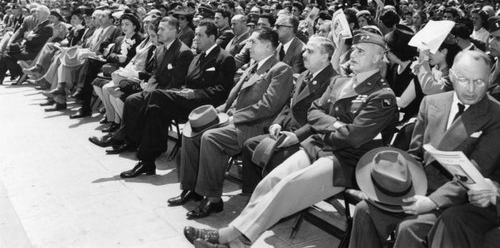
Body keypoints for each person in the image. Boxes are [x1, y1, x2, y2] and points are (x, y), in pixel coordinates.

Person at [182, 27, 399, 248]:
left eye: (360, 51)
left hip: (346, 161)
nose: (352, 55)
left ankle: (226, 237)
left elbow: (354, 137)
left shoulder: (382, 96)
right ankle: (237, 243)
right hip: (317, 146)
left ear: (378, 58)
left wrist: (327, 128)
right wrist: (334, 124)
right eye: (353, 50)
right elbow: (314, 112)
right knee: (269, 183)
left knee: (288, 186)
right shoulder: (340, 82)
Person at [349, 50, 500, 248]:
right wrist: (394, 187)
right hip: (420, 188)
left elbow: (476, 171)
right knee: (364, 210)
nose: (471, 88)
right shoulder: (431, 103)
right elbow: (415, 156)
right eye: (463, 79)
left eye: (479, 81)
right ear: (451, 75)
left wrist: (432, 202)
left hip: (459, 201)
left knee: (409, 228)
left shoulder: (495, 114)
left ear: (489, 79)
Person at [169, 27, 293, 219]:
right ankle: (192, 188)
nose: (247, 45)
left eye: (253, 42)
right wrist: (220, 110)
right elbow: (234, 97)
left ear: (268, 46)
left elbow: (268, 106)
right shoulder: (254, 66)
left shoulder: (280, 70)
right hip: (233, 120)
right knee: (191, 132)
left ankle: (213, 199)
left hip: (253, 127)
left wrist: (236, 117)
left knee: (210, 137)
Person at [116, 20, 236, 178]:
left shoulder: (224, 58)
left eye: (200, 35)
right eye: (196, 35)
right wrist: (183, 91)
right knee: (154, 110)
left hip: (204, 107)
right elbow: (187, 81)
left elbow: (222, 91)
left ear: (212, 37)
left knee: (156, 96)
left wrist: (195, 94)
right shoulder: (198, 57)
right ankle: (147, 162)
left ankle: (124, 135)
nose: (195, 39)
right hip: (186, 99)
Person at [241, 35, 337, 194]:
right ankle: (254, 197)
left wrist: (297, 136)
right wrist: (278, 122)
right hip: (286, 131)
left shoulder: (333, 81)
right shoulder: (304, 75)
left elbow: (323, 119)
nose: (303, 54)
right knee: (250, 145)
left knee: (276, 158)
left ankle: (275, 203)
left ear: (325, 56)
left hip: (307, 139)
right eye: (305, 50)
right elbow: (290, 103)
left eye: (310, 51)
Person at [88, 16, 194, 149]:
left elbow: (175, 83)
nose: (159, 32)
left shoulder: (183, 52)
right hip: (153, 90)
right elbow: (155, 74)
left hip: (167, 95)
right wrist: (148, 85)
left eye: (162, 29)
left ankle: (119, 138)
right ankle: (129, 140)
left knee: (139, 101)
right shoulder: (160, 50)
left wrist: (151, 89)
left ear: (174, 31)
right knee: (131, 100)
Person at [0, 5, 53, 84]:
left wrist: (27, 37)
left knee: (6, 56)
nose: (36, 13)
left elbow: (36, 41)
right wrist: (28, 37)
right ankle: (15, 75)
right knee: (6, 55)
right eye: (36, 12)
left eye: (39, 12)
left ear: (45, 14)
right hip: (28, 49)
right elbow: (29, 36)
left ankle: (20, 74)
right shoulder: (40, 25)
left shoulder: (47, 27)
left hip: (33, 53)